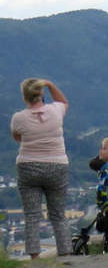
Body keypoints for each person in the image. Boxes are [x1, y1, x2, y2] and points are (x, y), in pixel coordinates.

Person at [10, 78, 72, 258]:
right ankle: (66, 252)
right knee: (58, 214)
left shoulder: (18, 118)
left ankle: (34, 256)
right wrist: (51, 84)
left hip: (28, 166)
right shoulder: (55, 111)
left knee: (32, 215)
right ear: (41, 94)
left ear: (24, 97)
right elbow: (63, 101)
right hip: (57, 165)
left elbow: (17, 137)